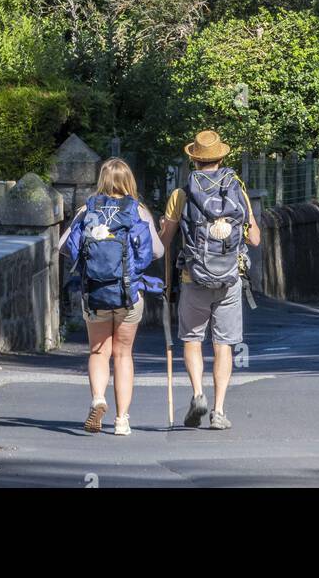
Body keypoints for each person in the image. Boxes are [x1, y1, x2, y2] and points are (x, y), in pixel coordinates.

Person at [160, 129, 260, 431]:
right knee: (224, 345)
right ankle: (218, 411)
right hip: (230, 278)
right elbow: (254, 238)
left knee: (192, 339)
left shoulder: (181, 194)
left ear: (194, 159)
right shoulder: (237, 191)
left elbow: (164, 242)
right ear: (221, 157)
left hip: (194, 277)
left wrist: (163, 227)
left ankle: (198, 394)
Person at [62, 157, 162, 436]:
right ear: (129, 180)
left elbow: (64, 246)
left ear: (102, 181)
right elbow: (157, 251)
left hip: (95, 293)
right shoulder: (137, 210)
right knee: (122, 354)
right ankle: (121, 421)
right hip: (128, 294)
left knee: (98, 350)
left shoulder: (87, 209)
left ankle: (98, 398)